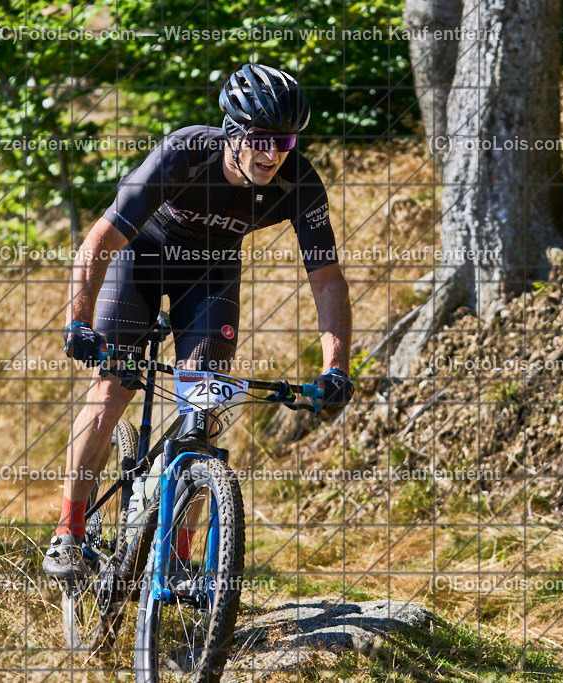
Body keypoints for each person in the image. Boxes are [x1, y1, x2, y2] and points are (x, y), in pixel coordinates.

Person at [44, 64, 354, 580]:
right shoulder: (185, 153)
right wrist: (78, 323)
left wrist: (335, 369)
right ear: (231, 131)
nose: (273, 153)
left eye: (285, 140)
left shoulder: (298, 180)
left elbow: (326, 279)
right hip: (140, 260)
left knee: (203, 407)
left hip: (209, 276)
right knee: (111, 390)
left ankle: (177, 556)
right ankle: (68, 532)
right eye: (260, 138)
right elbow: (100, 241)